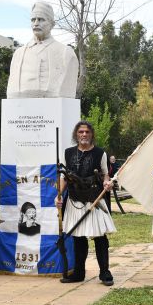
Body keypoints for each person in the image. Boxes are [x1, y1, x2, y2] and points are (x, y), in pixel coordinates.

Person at [56, 121, 115, 286]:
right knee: (78, 238)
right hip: (75, 200)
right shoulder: (68, 153)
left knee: (99, 238)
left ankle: (105, 272)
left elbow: (105, 175)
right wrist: (59, 195)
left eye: (87, 132)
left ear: (91, 134)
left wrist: (106, 183)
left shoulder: (100, 153)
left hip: (94, 199)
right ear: (76, 134)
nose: (84, 135)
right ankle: (79, 273)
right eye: (81, 132)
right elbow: (64, 177)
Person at [6, 1, 79, 99]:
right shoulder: (18, 54)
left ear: (52, 24)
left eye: (41, 20)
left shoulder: (66, 53)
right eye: (33, 20)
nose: (36, 23)